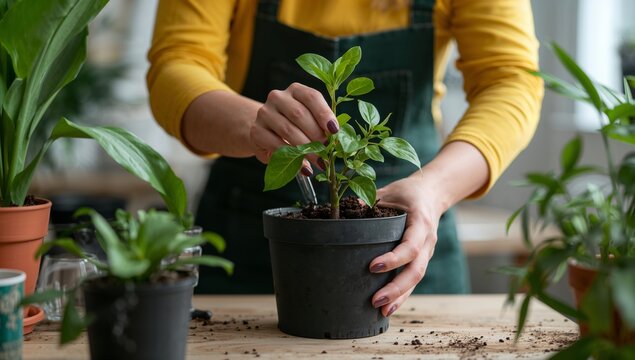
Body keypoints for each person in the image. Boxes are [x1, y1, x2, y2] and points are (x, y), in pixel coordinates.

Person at [147, 0, 543, 317]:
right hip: (247, 243)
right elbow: (177, 63)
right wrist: (255, 124)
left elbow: (510, 80)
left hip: (409, 235)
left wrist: (434, 189)